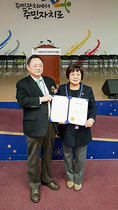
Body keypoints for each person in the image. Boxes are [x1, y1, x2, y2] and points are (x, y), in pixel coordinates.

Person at [16, 55, 60, 203]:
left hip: (50, 124)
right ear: (28, 67)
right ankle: (34, 185)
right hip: (34, 125)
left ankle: (47, 179)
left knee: (48, 153)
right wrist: (41, 99)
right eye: (35, 65)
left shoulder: (49, 81)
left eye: (40, 65)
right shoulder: (22, 83)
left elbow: (56, 98)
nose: (38, 68)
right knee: (34, 158)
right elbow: (22, 101)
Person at [57, 63, 97, 191]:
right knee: (67, 156)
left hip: (83, 129)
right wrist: (59, 118)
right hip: (66, 129)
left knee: (80, 157)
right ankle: (70, 178)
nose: (75, 76)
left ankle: (78, 180)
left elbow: (93, 107)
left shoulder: (88, 89)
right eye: (72, 74)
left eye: (78, 74)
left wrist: (91, 119)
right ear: (68, 75)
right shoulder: (62, 89)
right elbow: (58, 106)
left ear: (81, 76)